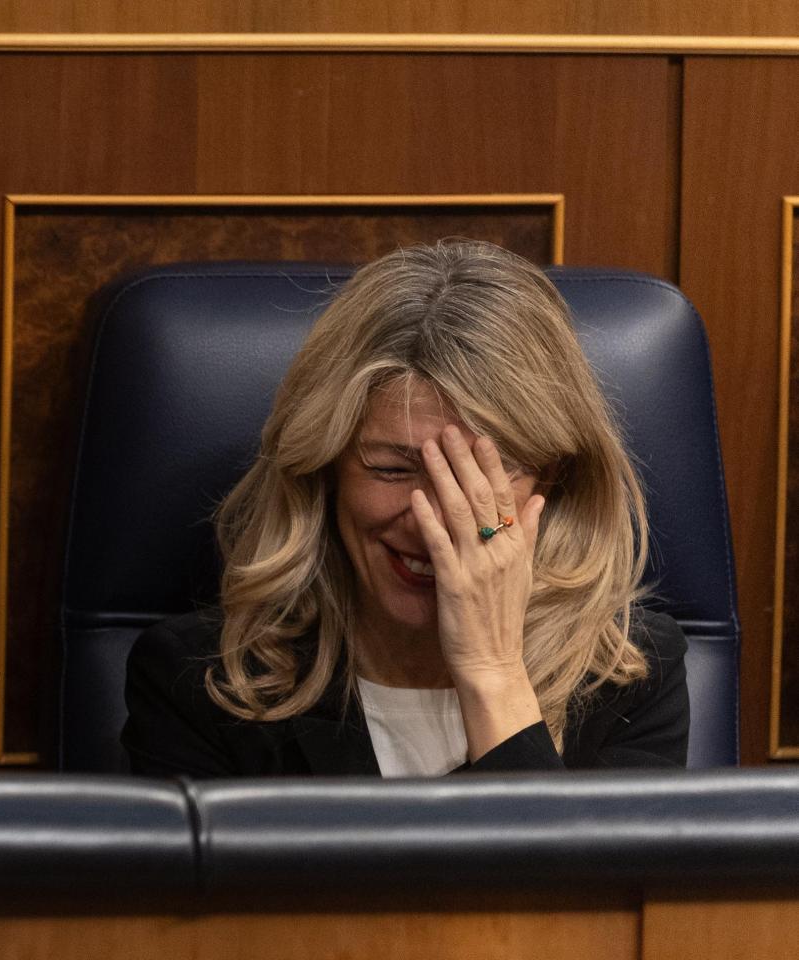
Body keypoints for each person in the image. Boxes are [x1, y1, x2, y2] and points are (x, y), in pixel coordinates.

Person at [122, 240, 688, 777]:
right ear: (323, 469)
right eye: (391, 469)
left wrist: (493, 674)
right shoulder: (197, 680)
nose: (434, 520)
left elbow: (567, 885)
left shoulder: (633, 675)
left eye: (486, 472)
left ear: (555, 476)